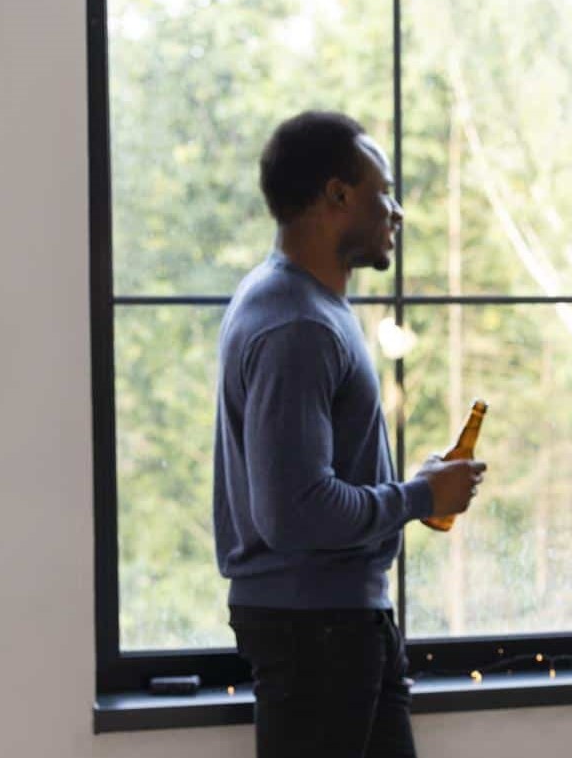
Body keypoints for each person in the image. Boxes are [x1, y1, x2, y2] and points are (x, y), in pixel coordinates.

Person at [212, 110, 486, 758]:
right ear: (337, 195)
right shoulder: (297, 324)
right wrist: (420, 497)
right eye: (383, 192)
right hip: (319, 633)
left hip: (337, 625)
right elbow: (295, 511)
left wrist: (415, 489)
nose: (396, 211)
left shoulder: (301, 304)